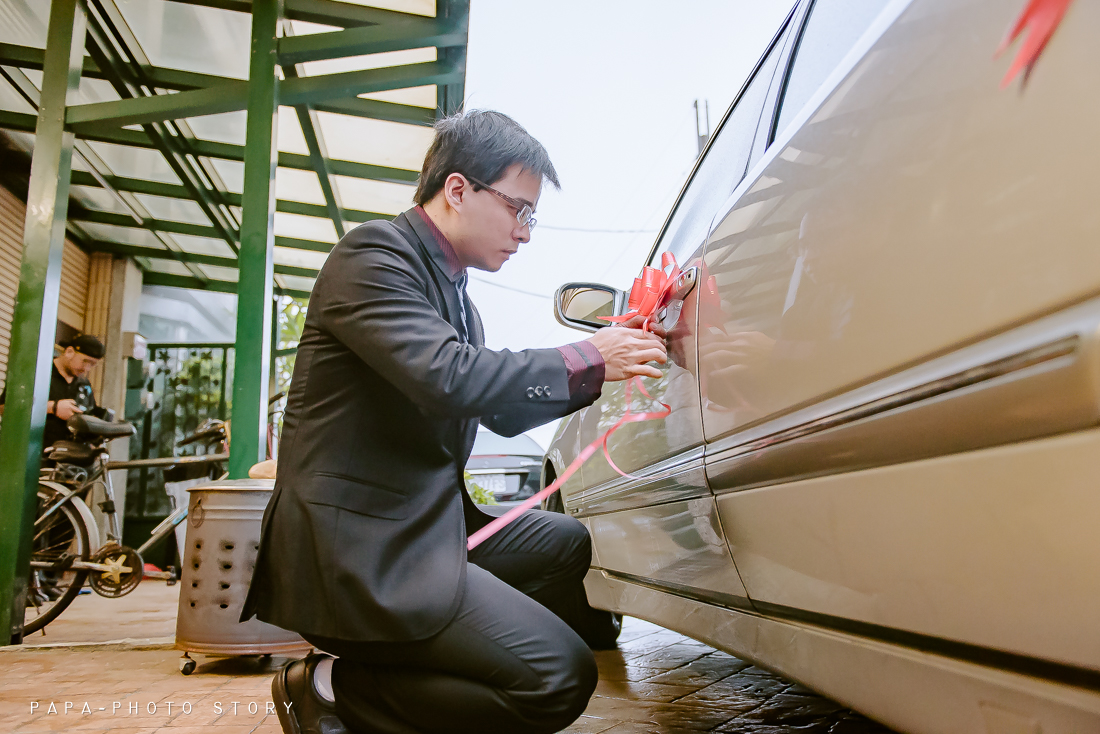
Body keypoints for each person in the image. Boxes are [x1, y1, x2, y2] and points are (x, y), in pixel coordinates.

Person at [240, 110, 667, 734]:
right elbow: (448, 376)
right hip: (359, 553)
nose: (526, 232)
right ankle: (336, 689)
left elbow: (499, 407)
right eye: (518, 208)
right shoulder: (372, 256)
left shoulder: (459, 301)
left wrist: (603, 360)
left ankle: (444, 658)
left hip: (422, 530)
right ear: (458, 188)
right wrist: (588, 356)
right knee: (560, 677)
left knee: (564, 541)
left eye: (532, 215)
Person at [0, 333, 104, 449]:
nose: (86, 369)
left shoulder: (84, 385)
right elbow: (5, 408)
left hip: (68, 459)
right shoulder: (34, 372)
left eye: (92, 365)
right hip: (29, 453)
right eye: (85, 361)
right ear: (69, 352)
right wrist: (52, 407)